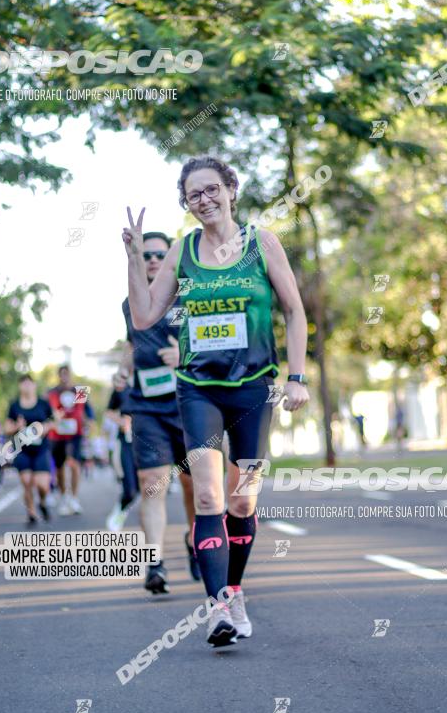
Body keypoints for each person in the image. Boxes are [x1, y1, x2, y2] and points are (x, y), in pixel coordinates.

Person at [122, 155, 309, 645]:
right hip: (198, 385)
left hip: (254, 387)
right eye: (192, 195)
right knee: (207, 493)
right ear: (185, 203)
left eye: (210, 190)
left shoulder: (261, 243)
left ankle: (234, 588)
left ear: (230, 188)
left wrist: (297, 377)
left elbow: (293, 312)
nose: (202, 200)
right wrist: (132, 257)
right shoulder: (183, 252)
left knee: (243, 501)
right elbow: (143, 317)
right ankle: (218, 608)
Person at [120, 232, 199, 593]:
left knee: (193, 482)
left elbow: (213, 342)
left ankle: (197, 541)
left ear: (170, 259)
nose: (152, 260)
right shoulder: (130, 303)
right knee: (152, 483)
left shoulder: (190, 295)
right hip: (146, 406)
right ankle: (155, 564)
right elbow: (132, 342)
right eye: (146, 254)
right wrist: (124, 369)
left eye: (159, 255)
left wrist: (184, 355)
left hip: (188, 401)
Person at [5, 374, 53, 525]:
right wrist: (16, 427)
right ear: (19, 386)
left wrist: (43, 428)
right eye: (23, 383)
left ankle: (43, 502)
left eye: (29, 383)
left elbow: (53, 422)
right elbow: (7, 428)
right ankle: (31, 513)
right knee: (26, 482)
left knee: (42, 485)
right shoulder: (14, 406)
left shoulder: (43, 404)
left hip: (41, 449)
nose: (26, 386)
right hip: (22, 449)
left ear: (34, 385)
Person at [47, 366, 91, 515]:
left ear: (71, 375)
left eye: (67, 374)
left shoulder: (80, 391)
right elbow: (49, 413)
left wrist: (88, 426)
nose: (65, 377)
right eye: (62, 374)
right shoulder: (52, 392)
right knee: (59, 468)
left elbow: (87, 413)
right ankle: (64, 495)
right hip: (57, 435)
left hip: (75, 435)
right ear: (59, 376)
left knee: (74, 464)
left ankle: (74, 497)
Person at [105, 371, 140, 533]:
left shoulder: (146, 382)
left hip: (149, 440)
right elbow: (109, 411)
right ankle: (119, 512)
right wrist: (121, 421)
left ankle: (123, 510)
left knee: (144, 487)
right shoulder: (121, 389)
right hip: (126, 442)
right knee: (130, 489)